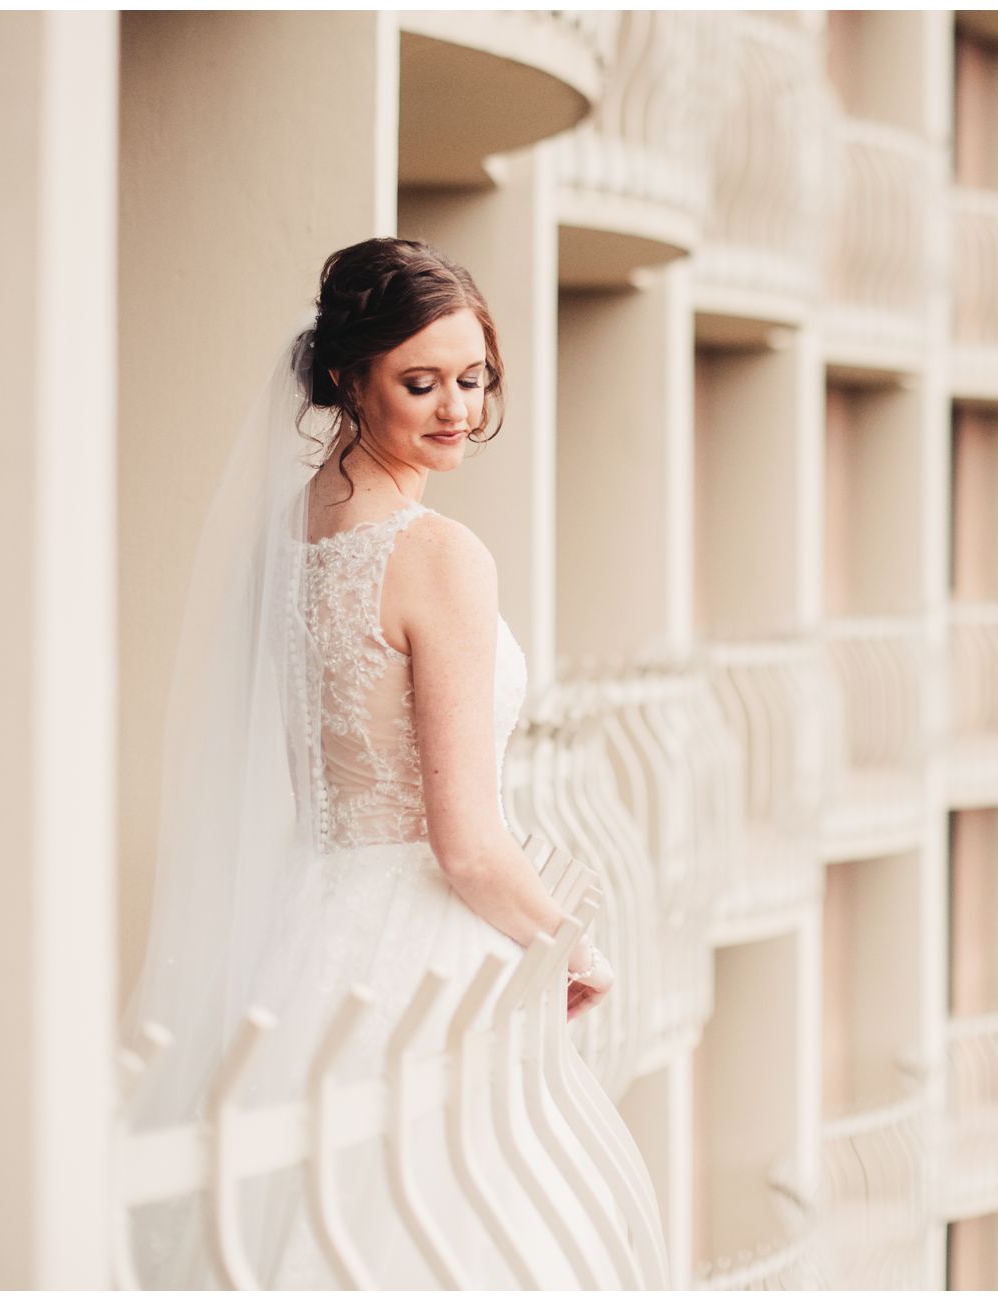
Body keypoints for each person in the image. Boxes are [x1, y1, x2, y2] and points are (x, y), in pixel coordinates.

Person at [119, 237, 662, 1288]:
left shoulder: (294, 529)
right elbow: (463, 841)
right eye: (422, 381)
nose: (457, 407)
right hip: (419, 949)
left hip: (310, 927)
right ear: (342, 376)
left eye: (473, 378)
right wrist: (571, 947)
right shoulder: (436, 555)